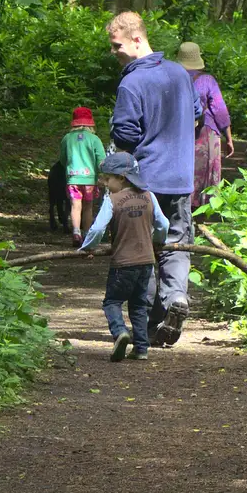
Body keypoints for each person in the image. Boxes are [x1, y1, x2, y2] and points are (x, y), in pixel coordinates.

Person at [106, 11, 199, 348]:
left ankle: (145, 318)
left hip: (144, 180)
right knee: (176, 243)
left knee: (140, 248)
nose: (113, 52)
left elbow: (126, 134)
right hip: (179, 177)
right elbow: (197, 114)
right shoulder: (179, 73)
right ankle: (175, 298)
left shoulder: (131, 82)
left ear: (136, 39)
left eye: (116, 46)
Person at [81, 152, 170, 362]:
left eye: (108, 178)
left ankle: (120, 332)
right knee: (139, 305)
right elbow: (163, 224)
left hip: (123, 263)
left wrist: (87, 248)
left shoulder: (113, 200)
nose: (104, 182)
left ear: (122, 178)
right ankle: (141, 348)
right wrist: (158, 242)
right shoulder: (149, 196)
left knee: (112, 301)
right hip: (146, 262)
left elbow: (97, 229)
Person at [173, 41, 235, 209]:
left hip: (179, 131)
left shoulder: (173, 79)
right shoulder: (207, 80)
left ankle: (182, 204)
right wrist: (228, 137)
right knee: (205, 169)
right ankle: (204, 207)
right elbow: (220, 110)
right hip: (206, 131)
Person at [60, 106, 107, 246]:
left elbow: (63, 158)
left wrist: (68, 168)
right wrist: (101, 174)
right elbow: (101, 160)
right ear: (90, 123)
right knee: (88, 207)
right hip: (89, 180)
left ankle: (76, 232)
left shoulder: (67, 138)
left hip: (73, 178)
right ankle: (86, 234)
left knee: (75, 206)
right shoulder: (94, 139)